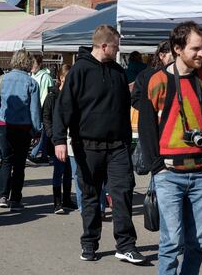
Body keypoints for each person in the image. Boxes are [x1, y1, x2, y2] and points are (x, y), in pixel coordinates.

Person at [138, 21, 202, 275]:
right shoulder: (158, 80)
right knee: (170, 242)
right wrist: (157, 167)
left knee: (198, 242)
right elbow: (146, 129)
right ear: (178, 48)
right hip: (169, 174)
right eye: (196, 49)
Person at [53, 25, 144, 264]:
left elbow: (125, 107)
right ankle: (89, 244)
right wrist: (59, 140)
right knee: (91, 196)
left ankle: (125, 245)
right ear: (104, 46)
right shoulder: (79, 70)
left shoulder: (117, 71)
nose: (118, 50)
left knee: (123, 193)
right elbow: (65, 107)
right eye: (115, 46)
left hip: (117, 146)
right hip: (87, 146)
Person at [0, 49, 41, 211]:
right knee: (19, 163)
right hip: (23, 126)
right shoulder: (31, 83)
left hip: (3, 124)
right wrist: (36, 131)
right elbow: (34, 110)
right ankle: (15, 198)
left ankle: (3, 195)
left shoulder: (1, 79)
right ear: (27, 63)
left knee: (6, 160)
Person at [43, 63, 77, 214]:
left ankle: (67, 199)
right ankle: (57, 202)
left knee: (69, 171)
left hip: (72, 138)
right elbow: (46, 117)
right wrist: (52, 135)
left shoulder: (74, 95)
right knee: (59, 170)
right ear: (61, 78)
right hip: (57, 139)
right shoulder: (52, 96)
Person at [29, 53, 53, 163]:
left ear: (39, 64)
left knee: (42, 133)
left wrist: (42, 110)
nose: (31, 66)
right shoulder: (31, 76)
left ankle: (34, 154)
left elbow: (46, 95)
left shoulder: (45, 77)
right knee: (40, 133)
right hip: (33, 108)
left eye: (33, 64)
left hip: (41, 109)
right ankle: (42, 155)